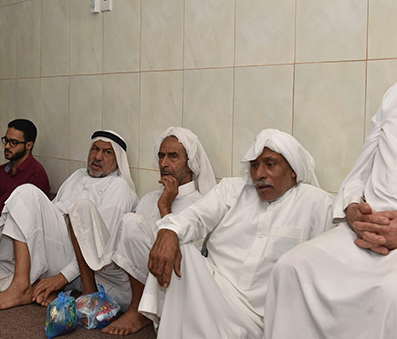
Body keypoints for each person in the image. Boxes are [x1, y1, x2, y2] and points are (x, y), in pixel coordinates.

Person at [138, 129, 335, 338]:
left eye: (270, 165)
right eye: (254, 165)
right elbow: (195, 217)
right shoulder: (232, 189)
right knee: (178, 244)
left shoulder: (317, 204)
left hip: (263, 317)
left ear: (293, 170)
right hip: (214, 294)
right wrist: (169, 230)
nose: (259, 174)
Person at [0, 130, 138, 311]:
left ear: (118, 160)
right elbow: (53, 208)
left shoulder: (119, 187)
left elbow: (98, 249)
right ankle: (28, 284)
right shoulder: (77, 175)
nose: (98, 156)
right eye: (95, 149)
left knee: (26, 192)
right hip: (43, 243)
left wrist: (62, 278)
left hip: (70, 253)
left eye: (107, 152)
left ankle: (20, 286)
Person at [264, 83, 397, 339]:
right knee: (291, 267)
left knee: (390, 294)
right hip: (364, 228)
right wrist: (353, 207)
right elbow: (361, 170)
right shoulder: (393, 96)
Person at [68, 127, 216, 336]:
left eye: (173, 156)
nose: (164, 163)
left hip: (163, 289)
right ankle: (89, 292)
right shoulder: (148, 198)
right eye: (161, 156)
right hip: (122, 281)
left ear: (190, 163)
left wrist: (165, 207)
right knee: (81, 208)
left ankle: (139, 311)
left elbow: (183, 262)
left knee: (131, 222)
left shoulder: (200, 205)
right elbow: (128, 250)